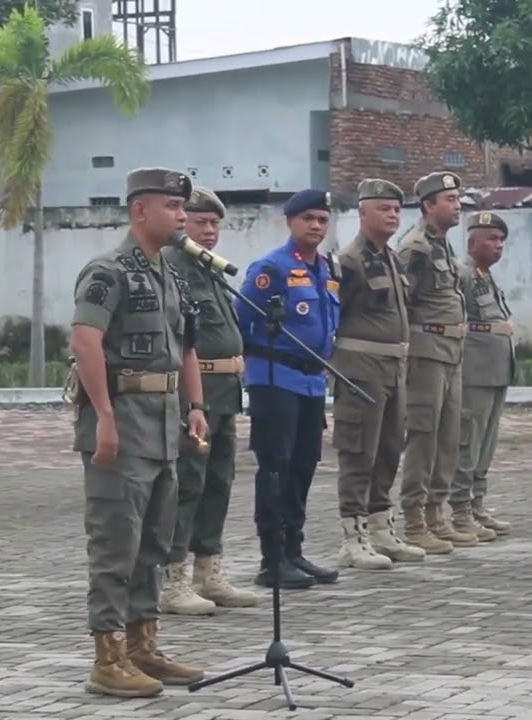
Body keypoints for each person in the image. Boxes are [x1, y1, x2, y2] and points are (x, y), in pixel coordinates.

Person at [69, 166, 209, 698]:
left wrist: (195, 405)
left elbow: (187, 347)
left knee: (155, 542)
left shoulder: (170, 273)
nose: (181, 217)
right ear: (139, 211)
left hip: (165, 425)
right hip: (122, 423)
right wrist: (103, 416)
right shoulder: (108, 270)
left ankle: (142, 644)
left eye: (182, 208)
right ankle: (107, 658)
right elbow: (85, 341)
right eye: (171, 208)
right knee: (115, 545)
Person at [159, 186, 258, 615]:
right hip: (192, 395)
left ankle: (208, 570)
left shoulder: (209, 268)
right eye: (201, 221)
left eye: (216, 223)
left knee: (219, 482)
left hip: (225, 393)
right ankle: (173, 576)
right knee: (188, 483)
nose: (210, 230)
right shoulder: (172, 267)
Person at [236, 188, 341, 589]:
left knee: (303, 465)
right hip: (275, 378)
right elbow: (240, 317)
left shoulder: (327, 270)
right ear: (290, 221)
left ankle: (294, 549)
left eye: (322, 220)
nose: (316, 226)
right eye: (308, 219)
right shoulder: (272, 268)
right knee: (276, 466)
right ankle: (272, 559)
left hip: (312, 381)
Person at [332, 178, 424, 571]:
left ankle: (381, 525)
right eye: (383, 209)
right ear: (363, 212)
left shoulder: (392, 258)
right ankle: (353, 537)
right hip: (360, 368)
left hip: (394, 366)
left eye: (395, 209)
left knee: (388, 448)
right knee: (359, 451)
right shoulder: (348, 261)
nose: (391, 216)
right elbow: (334, 313)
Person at [395, 171, 489, 553]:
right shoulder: (414, 248)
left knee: (449, 435)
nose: (456, 206)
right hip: (425, 350)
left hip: (452, 350)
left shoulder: (443, 246)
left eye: (457, 199)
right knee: (424, 435)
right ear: (428, 205)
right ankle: (414, 518)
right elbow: (402, 305)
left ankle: (437, 513)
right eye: (448, 200)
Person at [456, 211, 516, 541]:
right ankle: (460, 508)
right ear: (472, 241)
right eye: (491, 239)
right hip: (474, 372)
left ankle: (477, 504)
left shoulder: (485, 275)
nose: (498, 246)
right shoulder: (462, 274)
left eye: (501, 240)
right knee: (468, 441)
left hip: (495, 372)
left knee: (486, 444)